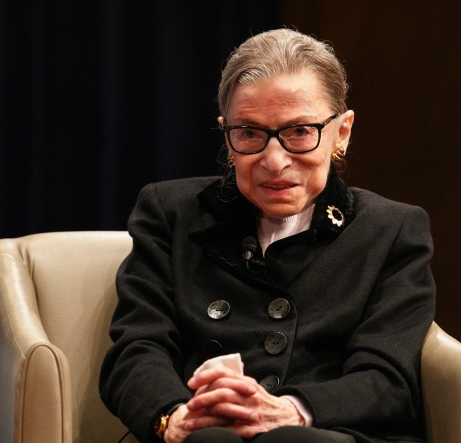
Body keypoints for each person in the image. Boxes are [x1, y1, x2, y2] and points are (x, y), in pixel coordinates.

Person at [99, 28, 436, 443]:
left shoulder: (391, 229)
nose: (274, 161)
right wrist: (174, 416)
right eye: (250, 133)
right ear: (227, 134)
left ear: (341, 132)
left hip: (329, 432)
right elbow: (138, 348)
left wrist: (292, 412)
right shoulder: (169, 212)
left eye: (299, 132)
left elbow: (388, 378)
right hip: (199, 426)